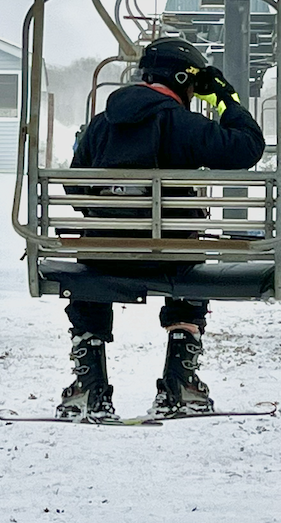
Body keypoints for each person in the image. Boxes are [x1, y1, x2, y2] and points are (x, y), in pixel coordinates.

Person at [57, 36, 265, 421]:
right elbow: (248, 148)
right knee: (188, 257)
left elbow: (75, 186)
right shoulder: (183, 124)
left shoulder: (100, 126)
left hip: (104, 258)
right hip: (171, 258)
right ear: (184, 80)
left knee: (93, 259)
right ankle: (180, 386)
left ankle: (90, 389)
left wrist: (109, 218)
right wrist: (225, 101)